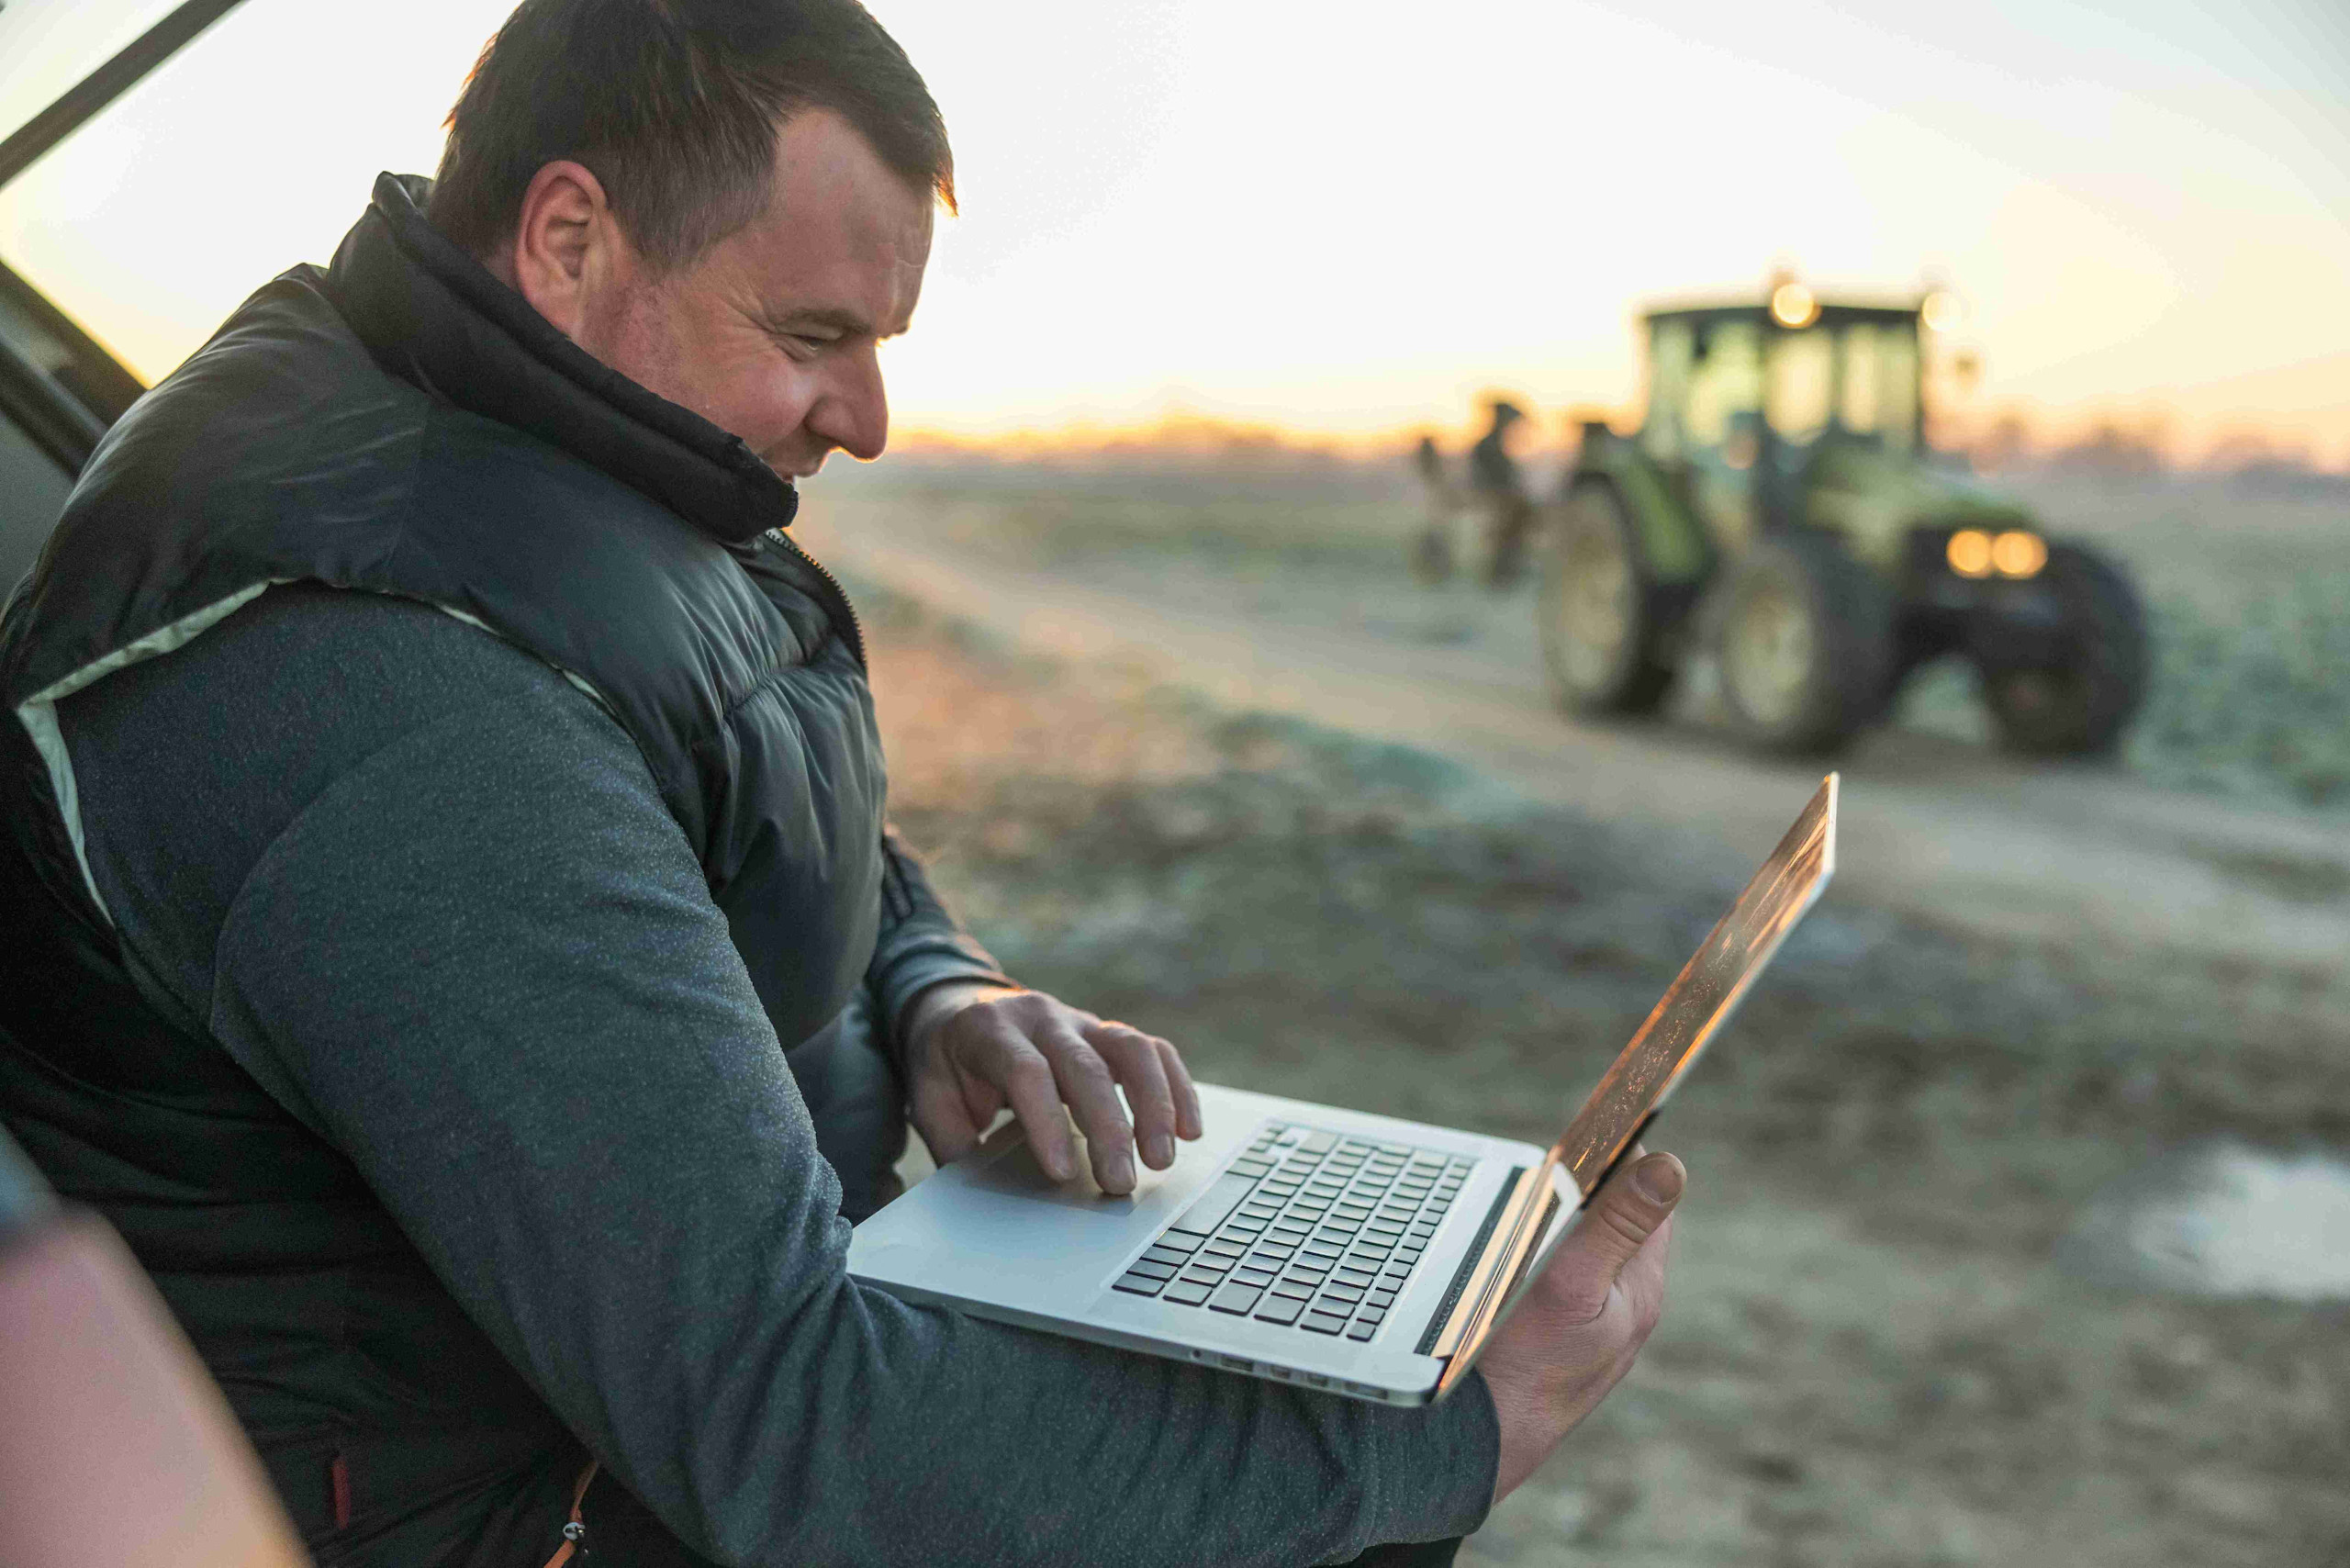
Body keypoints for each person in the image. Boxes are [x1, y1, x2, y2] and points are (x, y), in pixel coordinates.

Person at [0, 3, 1688, 1563]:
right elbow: (793, 1423)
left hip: (664, 1401)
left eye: (878, 340)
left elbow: (734, 810)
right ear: (570, 235)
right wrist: (1437, 1440)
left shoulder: (523, 454)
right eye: (813, 332)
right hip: (524, 1508)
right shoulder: (380, 685)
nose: (867, 418)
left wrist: (944, 989)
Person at [1467, 398, 1539, 588]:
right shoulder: (1486, 446)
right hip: (1492, 500)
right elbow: (1483, 481)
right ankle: (1502, 568)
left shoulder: (1498, 445)